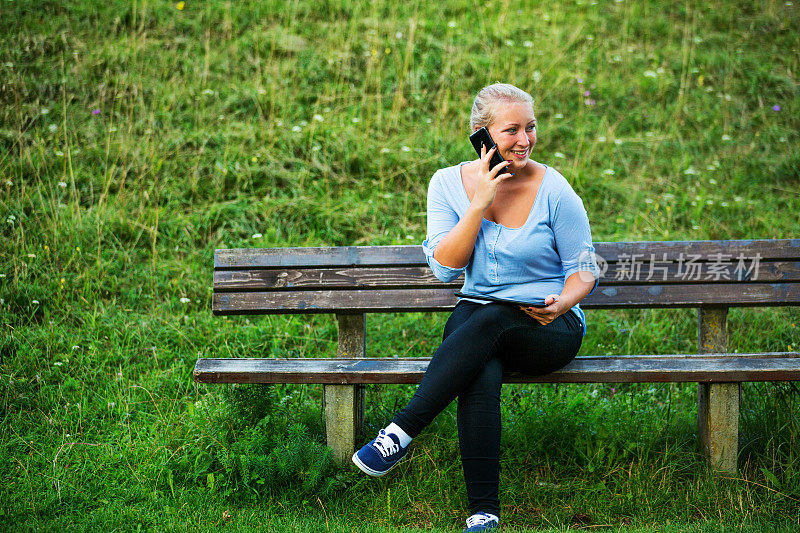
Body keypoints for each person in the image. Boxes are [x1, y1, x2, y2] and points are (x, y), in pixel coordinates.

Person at [352, 83, 601, 532]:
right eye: (511, 130)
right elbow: (447, 270)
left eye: (531, 127)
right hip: (480, 323)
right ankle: (483, 511)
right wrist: (479, 202)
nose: (524, 140)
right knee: (480, 358)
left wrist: (562, 301)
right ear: (481, 134)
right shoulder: (447, 184)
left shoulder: (554, 188)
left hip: (547, 326)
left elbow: (584, 268)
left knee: (490, 318)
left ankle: (401, 432)